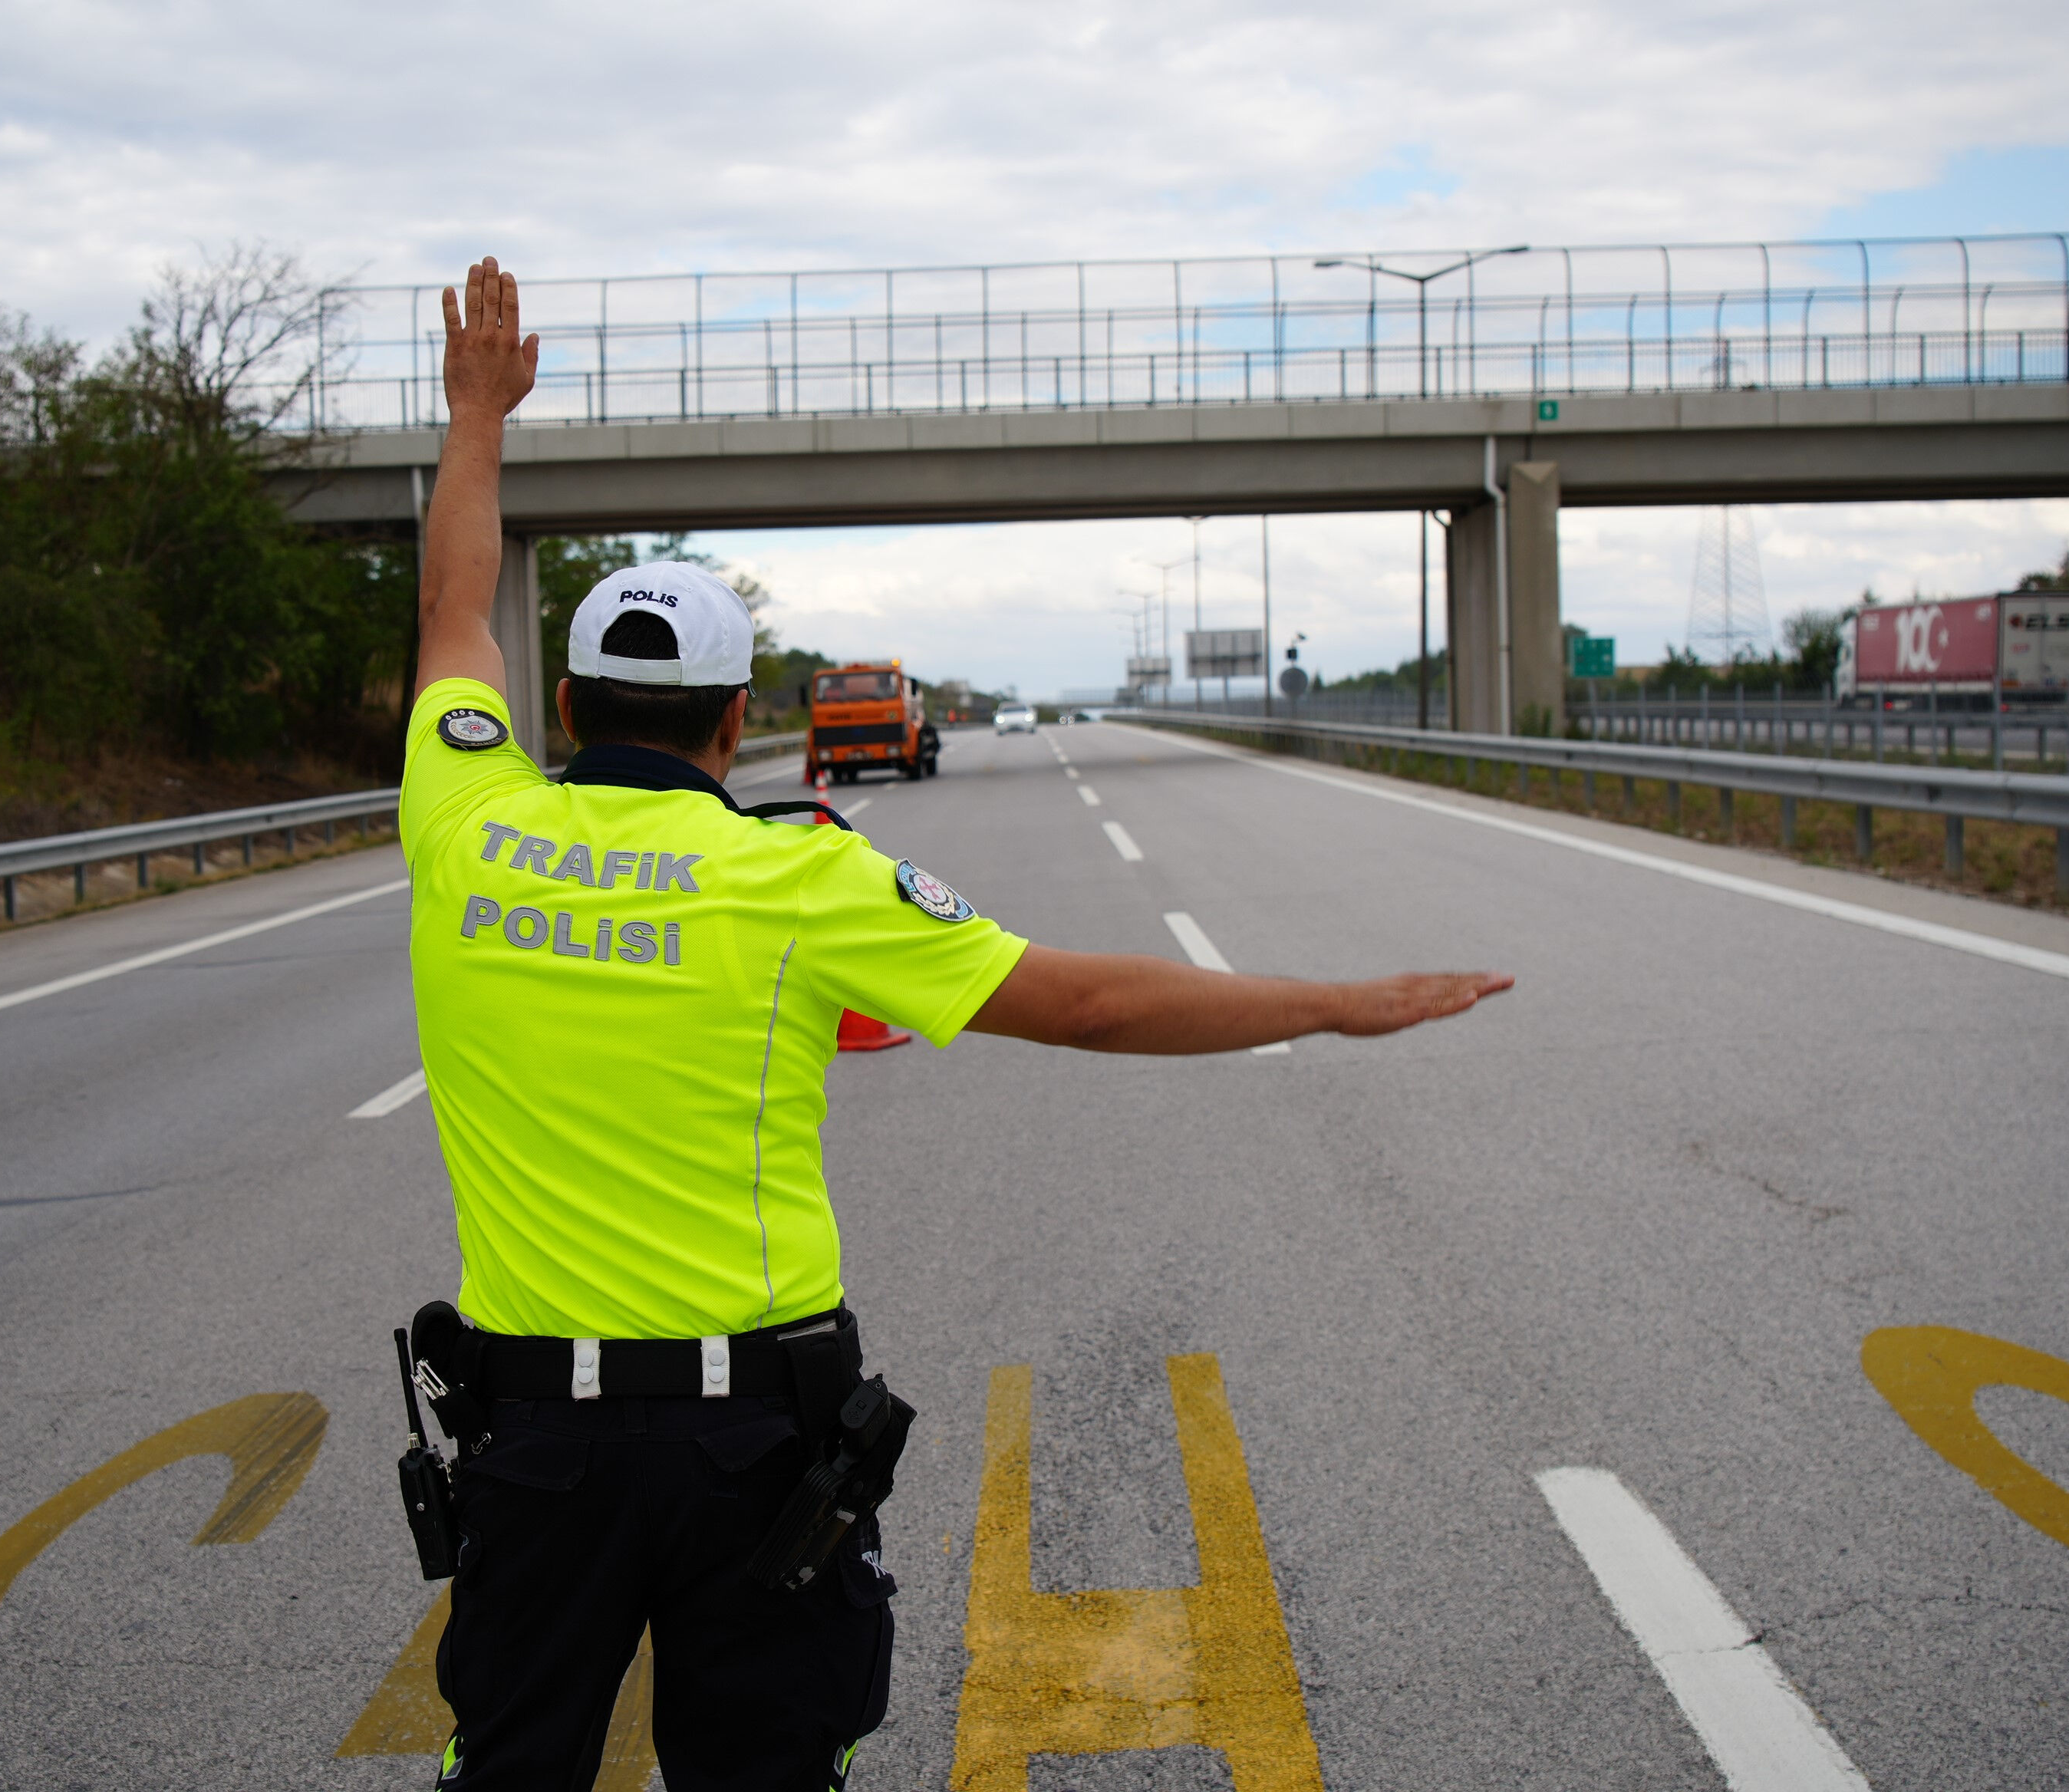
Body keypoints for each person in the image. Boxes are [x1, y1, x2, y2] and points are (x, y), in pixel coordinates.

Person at [399, 258, 1511, 1792]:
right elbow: (1092, 1001)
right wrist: (1331, 1002)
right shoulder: (800, 874)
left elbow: (455, 599)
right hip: (748, 1454)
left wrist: (477, 416)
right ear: (740, 723)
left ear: (563, 704)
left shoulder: (464, 820)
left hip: (536, 1451)